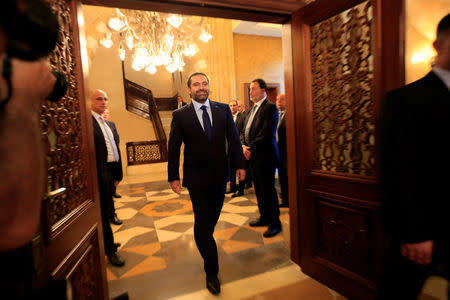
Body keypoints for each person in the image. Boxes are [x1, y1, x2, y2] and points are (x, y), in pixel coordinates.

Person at [378, 13, 450, 299]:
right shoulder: (405, 99)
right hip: (425, 228)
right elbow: (398, 171)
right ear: (438, 45)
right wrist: (414, 233)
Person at [168, 72, 245, 295]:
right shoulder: (180, 115)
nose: (201, 87)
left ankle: (205, 241)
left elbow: (233, 139)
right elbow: (173, 148)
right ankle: (211, 271)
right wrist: (173, 176)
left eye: (204, 83)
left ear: (208, 86)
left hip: (221, 176)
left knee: (210, 222)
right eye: (196, 85)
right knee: (203, 224)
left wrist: (239, 165)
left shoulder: (222, 110)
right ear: (189, 89)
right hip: (196, 179)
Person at [241, 78, 282, 238]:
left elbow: (266, 133)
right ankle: (264, 217)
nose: (250, 92)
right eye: (250, 89)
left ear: (263, 90)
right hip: (252, 156)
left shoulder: (270, 108)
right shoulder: (251, 110)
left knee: (268, 190)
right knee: (258, 188)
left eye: (253, 89)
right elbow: (244, 130)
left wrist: (251, 148)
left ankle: (275, 223)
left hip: (265, 156)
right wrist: (243, 146)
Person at [91, 89, 125, 267]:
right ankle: (110, 250)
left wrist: (117, 174)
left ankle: (108, 244)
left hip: (109, 173)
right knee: (103, 216)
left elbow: (114, 149)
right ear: (89, 101)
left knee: (108, 211)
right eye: (99, 99)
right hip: (98, 175)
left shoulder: (103, 122)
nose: (104, 101)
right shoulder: (88, 122)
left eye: (105, 98)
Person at [102, 108, 124, 225]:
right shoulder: (96, 125)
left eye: (107, 113)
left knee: (111, 187)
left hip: (113, 160)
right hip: (103, 163)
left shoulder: (111, 125)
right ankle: (110, 215)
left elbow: (116, 140)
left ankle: (111, 214)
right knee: (106, 192)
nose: (105, 114)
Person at [227, 100, 245, 197]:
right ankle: (232, 187)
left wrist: (240, 144)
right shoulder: (227, 117)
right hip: (230, 147)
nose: (232, 107)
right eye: (230, 106)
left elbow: (243, 131)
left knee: (240, 167)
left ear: (238, 107)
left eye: (234, 105)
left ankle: (241, 190)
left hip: (239, 147)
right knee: (231, 168)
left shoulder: (242, 117)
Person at [276, 94, 289, 207]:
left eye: (281, 100)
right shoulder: (277, 115)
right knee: (282, 175)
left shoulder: (290, 115)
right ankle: (284, 196)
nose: (278, 102)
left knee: (287, 175)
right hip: (278, 152)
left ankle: (288, 199)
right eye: (277, 99)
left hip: (287, 152)